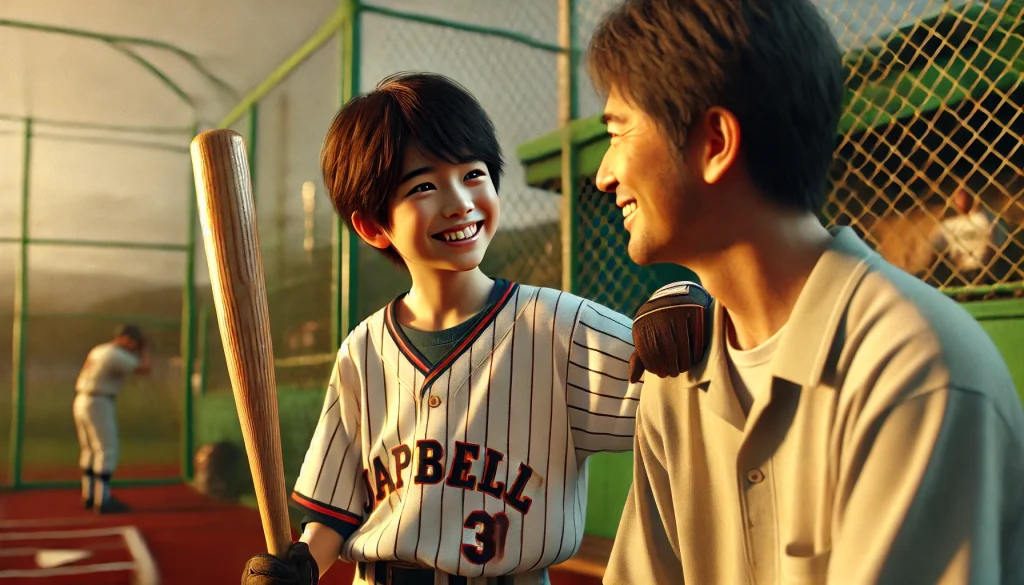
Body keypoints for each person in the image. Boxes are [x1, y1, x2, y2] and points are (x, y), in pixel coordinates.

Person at [587, 0, 1024, 583]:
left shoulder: (915, 374)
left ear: (715, 141)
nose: (603, 173)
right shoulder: (678, 381)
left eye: (618, 130)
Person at [241, 72, 706, 585]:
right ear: (374, 227)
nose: (459, 200)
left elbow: (699, 385)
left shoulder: (559, 327)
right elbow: (336, 505)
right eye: (423, 185)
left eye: (473, 174)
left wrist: (686, 300)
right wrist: (304, 564)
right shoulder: (363, 350)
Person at [74, 324, 151, 513]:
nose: (133, 346)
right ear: (125, 338)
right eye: (133, 342)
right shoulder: (114, 354)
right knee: (106, 450)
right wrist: (145, 350)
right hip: (99, 402)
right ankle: (104, 499)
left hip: (81, 400)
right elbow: (144, 368)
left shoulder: (99, 349)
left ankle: (89, 495)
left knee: (89, 450)